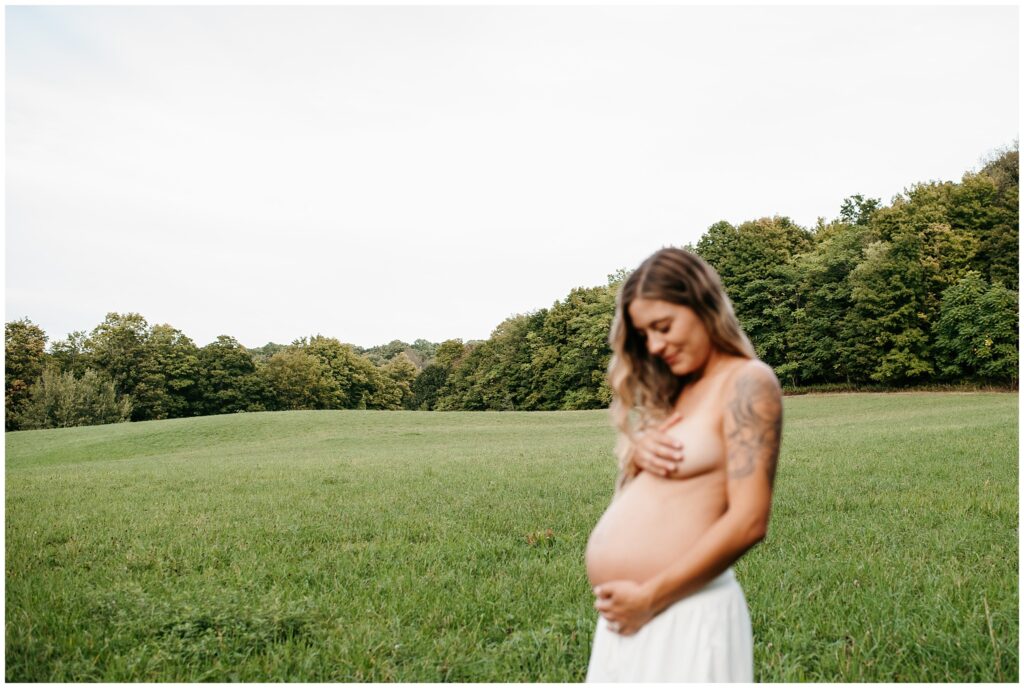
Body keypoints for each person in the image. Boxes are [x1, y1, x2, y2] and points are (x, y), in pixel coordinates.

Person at [584, 247, 782, 682]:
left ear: (702, 305)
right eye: (644, 335)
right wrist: (636, 456)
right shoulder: (678, 393)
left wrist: (650, 598)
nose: (654, 346)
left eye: (663, 326)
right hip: (629, 619)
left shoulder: (747, 383)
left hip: (683, 612)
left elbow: (750, 521)